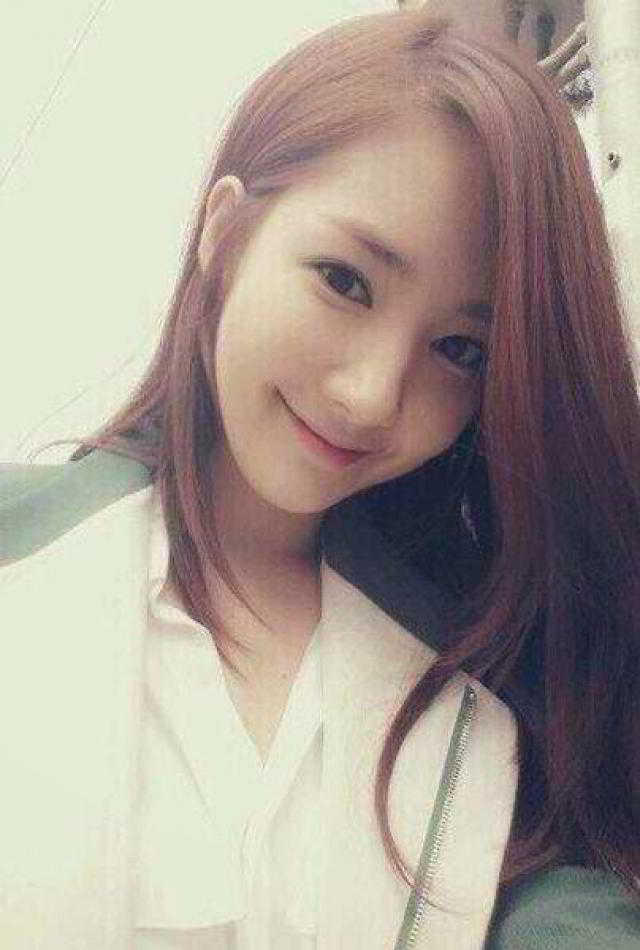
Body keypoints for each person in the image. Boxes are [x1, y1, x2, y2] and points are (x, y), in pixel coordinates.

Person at [1, 8, 640, 948]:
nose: (372, 396)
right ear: (226, 235)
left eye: (460, 349)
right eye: (345, 281)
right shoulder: (24, 549)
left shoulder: (499, 677)